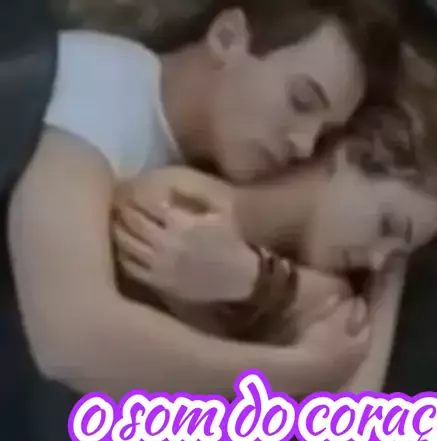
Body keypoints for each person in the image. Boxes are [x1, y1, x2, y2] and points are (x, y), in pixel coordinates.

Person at [7, 0, 399, 400]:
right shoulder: (101, 89)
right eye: (301, 100)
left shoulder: (176, 162)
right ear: (227, 37)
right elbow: (70, 339)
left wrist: (388, 275)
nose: (304, 144)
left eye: (324, 133)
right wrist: (290, 373)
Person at [111, 101, 437, 396]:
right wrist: (262, 288)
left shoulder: (330, 297)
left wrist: (389, 279)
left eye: (394, 255)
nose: (375, 260)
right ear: (351, 154)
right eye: (387, 226)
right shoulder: (177, 200)